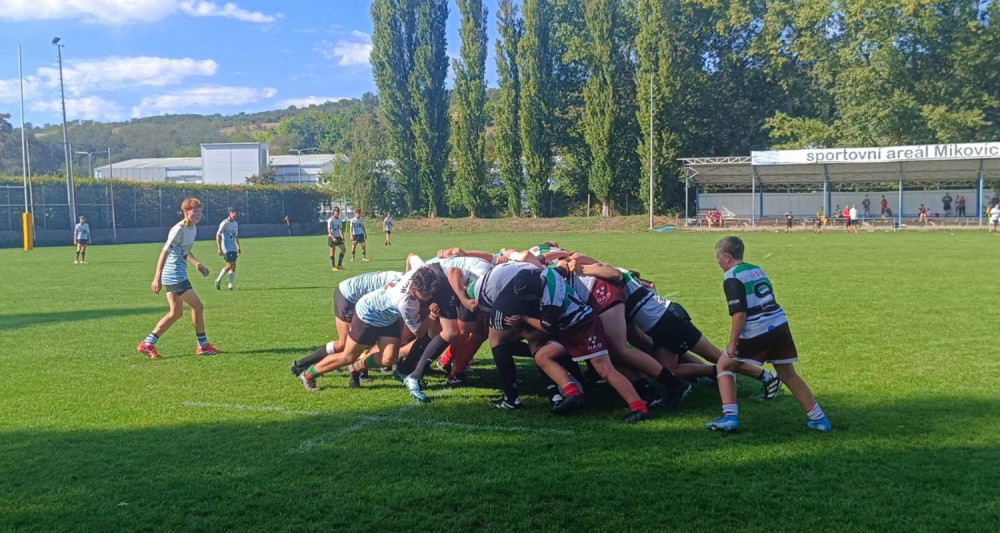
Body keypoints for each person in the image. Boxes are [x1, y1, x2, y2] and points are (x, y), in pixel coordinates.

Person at [708, 236, 830, 432]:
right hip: (779, 323)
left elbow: (739, 313)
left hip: (758, 328)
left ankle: (729, 417)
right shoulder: (756, 269)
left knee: (724, 365)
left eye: (718, 258)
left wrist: (733, 342)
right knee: (788, 374)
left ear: (727, 257)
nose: (717, 262)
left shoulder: (731, 276)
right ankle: (820, 420)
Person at [295, 266, 441, 392]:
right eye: (426, 294)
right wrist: (432, 316)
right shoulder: (406, 303)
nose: (430, 297)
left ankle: (357, 366)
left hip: (388, 317)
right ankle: (308, 374)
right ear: (414, 288)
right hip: (367, 315)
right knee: (348, 356)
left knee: (389, 358)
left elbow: (412, 256)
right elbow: (419, 332)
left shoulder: (416, 272)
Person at [136, 198, 221, 359]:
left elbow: (184, 250)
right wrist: (157, 277)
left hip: (176, 274)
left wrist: (197, 265)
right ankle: (203, 346)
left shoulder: (192, 228)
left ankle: (147, 344)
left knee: (176, 313)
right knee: (198, 307)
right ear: (186, 212)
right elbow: (164, 252)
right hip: (175, 275)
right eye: (195, 211)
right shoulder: (179, 229)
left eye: (200, 211)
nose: (198, 215)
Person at [215, 207, 241, 290]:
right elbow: (218, 235)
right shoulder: (224, 223)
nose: (234, 214)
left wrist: (238, 247)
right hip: (226, 247)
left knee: (233, 266)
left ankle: (230, 285)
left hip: (233, 247)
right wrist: (219, 248)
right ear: (229, 213)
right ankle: (218, 279)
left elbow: (236, 236)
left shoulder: (235, 224)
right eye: (232, 212)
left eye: (235, 213)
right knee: (230, 265)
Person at [327, 206, 347, 271]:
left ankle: (339, 265)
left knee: (343, 249)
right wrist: (333, 237)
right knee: (332, 251)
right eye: (336, 211)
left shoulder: (339, 220)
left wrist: (342, 236)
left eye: (338, 212)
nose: (338, 213)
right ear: (334, 212)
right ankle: (333, 266)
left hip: (338, 236)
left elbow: (340, 229)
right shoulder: (331, 219)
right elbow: (329, 229)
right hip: (331, 237)